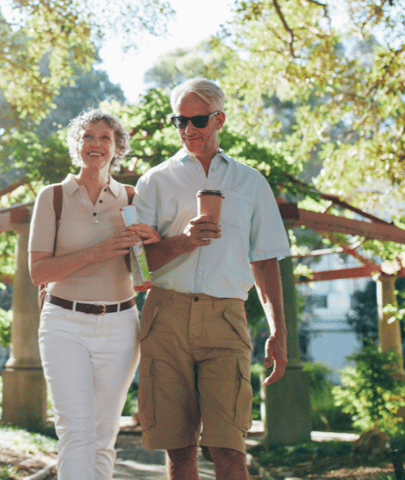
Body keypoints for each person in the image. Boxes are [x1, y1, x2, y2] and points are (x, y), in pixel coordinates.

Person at [133, 78, 291, 480]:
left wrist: (278, 331)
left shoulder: (251, 182)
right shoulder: (155, 181)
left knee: (229, 447)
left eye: (198, 119)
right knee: (179, 450)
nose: (188, 129)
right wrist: (184, 242)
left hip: (226, 319)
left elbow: (266, 259)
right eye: (179, 121)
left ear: (219, 119)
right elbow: (141, 262)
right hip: (165, 316)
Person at [29, 108, 161, 479]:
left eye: (105, 137)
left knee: (104, 435)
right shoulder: (52, 197)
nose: (96, 144)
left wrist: (151, 244)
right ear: (77, 145)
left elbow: (142, 272)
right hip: (63, 323)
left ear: (117, 147)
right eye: (88, 136)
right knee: (75, 430)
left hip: (120, 324)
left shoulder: (133, 198)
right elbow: (39, 272)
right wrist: (98, 252)